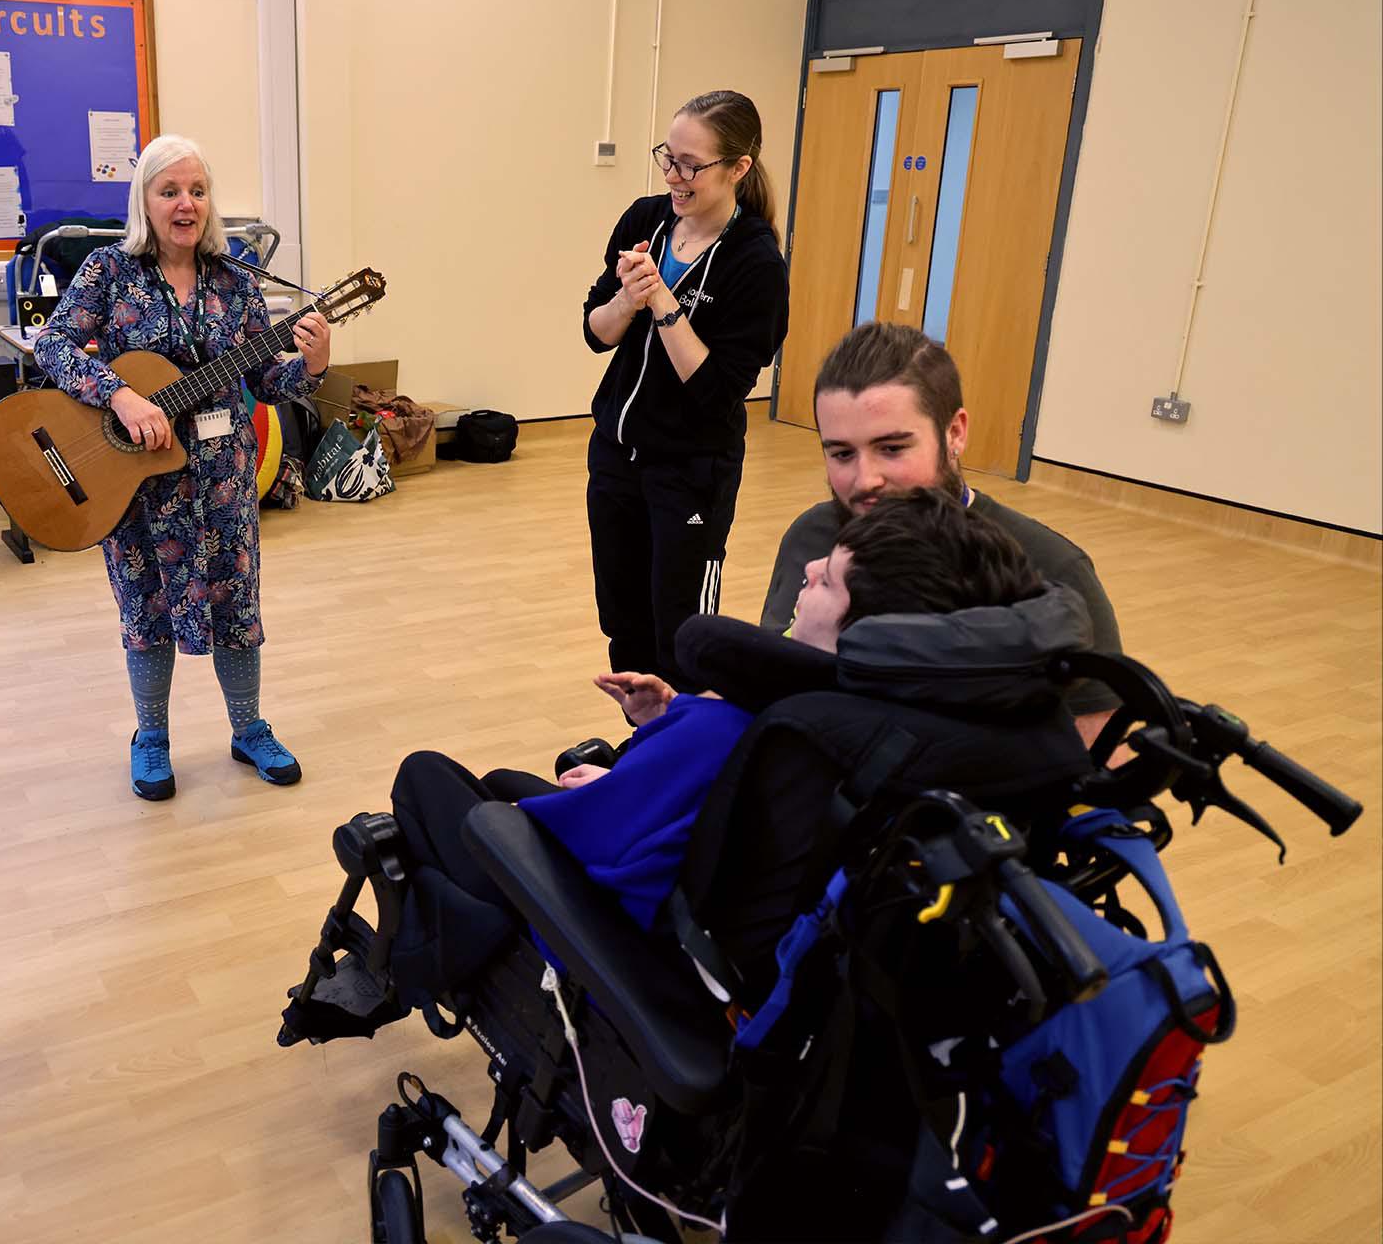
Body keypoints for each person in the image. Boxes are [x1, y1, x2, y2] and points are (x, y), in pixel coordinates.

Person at [390, 488, 1058, 943]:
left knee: (432, 781)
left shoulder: (737, 725)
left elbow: (599, 837)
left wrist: (613, 789)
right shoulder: (887, 730)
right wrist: (663, 726)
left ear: (873, 629)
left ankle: (443, 954)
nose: (809, 570)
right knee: (509, 779)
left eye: (829, 578)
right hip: (729, 899)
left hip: (628, 934)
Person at [33, 135, 329, 801]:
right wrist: (120, 393)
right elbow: (50, 343)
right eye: (170, 191)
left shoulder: (237, 282)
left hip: (223, 481)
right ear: (146, 201)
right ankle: (151, 738)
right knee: (147, 611)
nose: (185, 203)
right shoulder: (110, 273)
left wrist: (309, 366)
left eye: (196, 191)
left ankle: (249, 728)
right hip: (135, 487)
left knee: (238, 602)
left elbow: (265, 381)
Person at [759, 322, 1122, 741]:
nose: (865, 479)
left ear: (955, 433)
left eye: (892, 449)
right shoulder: (811, 535)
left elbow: (1097, 761)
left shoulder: (1053, 569)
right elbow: (771, 669)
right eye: (842, 453)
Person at [581, 89, 790, 694]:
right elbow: (596, 333)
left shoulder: (754, 264)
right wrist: (627, 296)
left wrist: (665, 302)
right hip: (616, 458)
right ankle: (643, 748)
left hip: (692, 470)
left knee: (683, 635)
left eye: (690, 165)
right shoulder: (644, 219)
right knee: (623, 623)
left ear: (738, 168)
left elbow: (714, 391)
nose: (674, 176)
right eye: (666, 158)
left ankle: (684, 754)